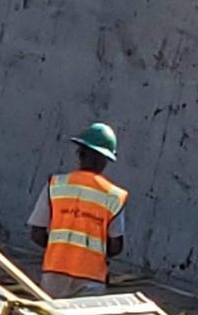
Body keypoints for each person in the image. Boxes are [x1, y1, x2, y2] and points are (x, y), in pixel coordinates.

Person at [29, 122, 127, 298]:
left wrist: (60, 248)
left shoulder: (55, 186)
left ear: (80, 154)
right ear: (106, 160)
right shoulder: (114, 196)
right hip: (92, 277)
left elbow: (36, 233)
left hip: (54, 272)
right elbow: (116, 245)